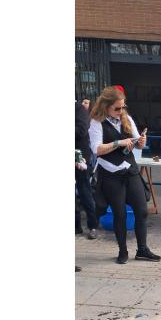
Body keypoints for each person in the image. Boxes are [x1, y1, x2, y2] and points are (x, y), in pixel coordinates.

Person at [89, 86, 161, 264]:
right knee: (119, 214)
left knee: (142, 211)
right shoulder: (96, 122)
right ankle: (123, 251)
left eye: (122, 107)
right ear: (106, 106)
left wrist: (140, 142)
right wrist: (119, 142)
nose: (121, 111)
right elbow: (97, 150)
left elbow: (137, 142)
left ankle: (142, 249)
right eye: (117, 108)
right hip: (111, 173)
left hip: (130, 170)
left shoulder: (126, 118)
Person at [75, 101, 98, 239]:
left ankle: (92, 226)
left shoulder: (79, 109)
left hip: (79, 158)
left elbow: (82, 130)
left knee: (84, 191)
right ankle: (76, 226)